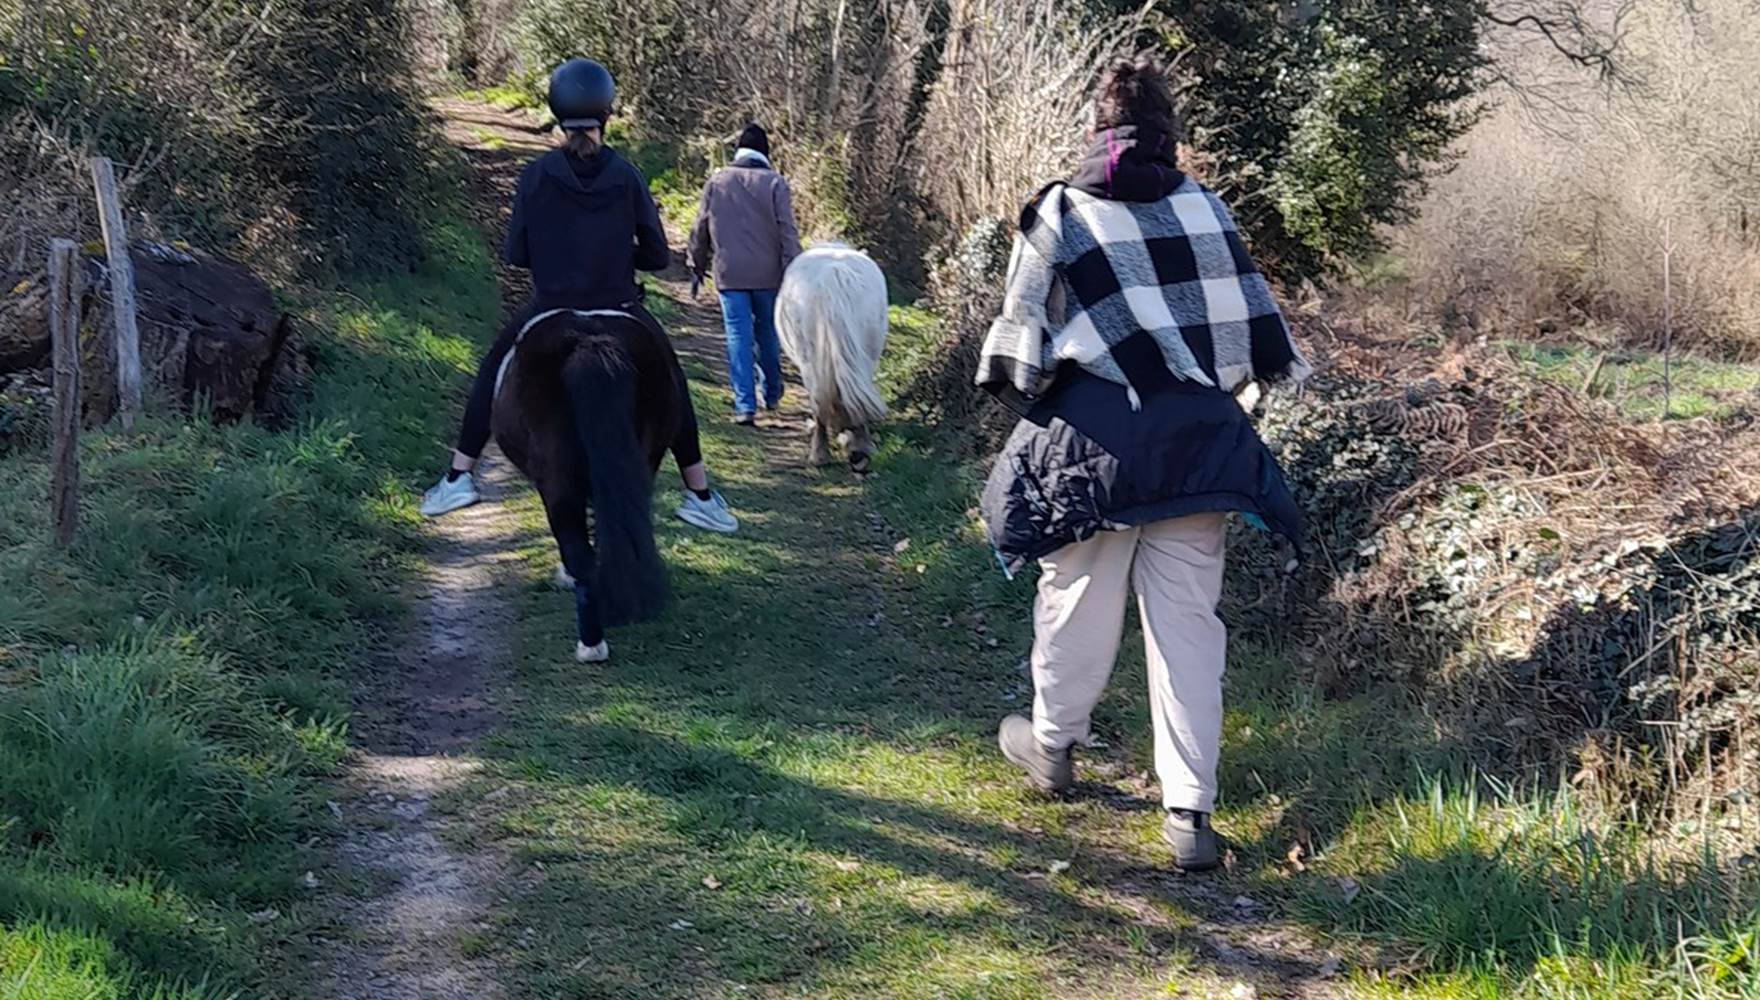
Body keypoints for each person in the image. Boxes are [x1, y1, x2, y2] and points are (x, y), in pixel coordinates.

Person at [975, 57, 1310, 871]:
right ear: (1170, 134)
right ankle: (1190, 814)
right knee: (1189, 626)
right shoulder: (1207, 207)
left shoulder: (1061, 209)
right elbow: (1258, 334)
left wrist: (1055, 393)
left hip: (1097, 446)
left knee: (1076, 602)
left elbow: (1018, 349)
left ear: (1099, 129)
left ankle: (1052, 748)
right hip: (1199, 446)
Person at [421, 58, 738, 535]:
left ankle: (458, 476)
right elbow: (656, 255)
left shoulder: (535, 175)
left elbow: (516, 254)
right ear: (606, 114)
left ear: (557, 113)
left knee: (493, 368)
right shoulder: (627, 175)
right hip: (620, 304)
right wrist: (618, 253)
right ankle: (699, 494)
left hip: (551, 305)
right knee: (671, 379)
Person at [687, 123, 802, 426]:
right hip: (769, 275)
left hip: (730, 273)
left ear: (738, 150)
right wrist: (794, 269)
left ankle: (744, 405)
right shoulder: (776, 184)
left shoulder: (717, 182)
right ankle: (772, 392)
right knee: (768, 332)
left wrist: (696, 265)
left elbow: (700, 229)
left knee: (738, 335)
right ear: (765, 153)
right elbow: (788, 231)